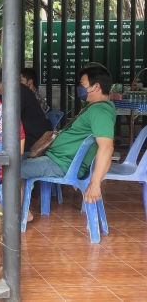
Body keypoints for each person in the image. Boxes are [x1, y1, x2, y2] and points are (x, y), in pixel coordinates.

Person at [21, 66, 116, 220]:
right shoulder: (96, 108)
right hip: (56, 158)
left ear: (96, 86)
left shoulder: (100, 112)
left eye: (83, 84)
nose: (79, 88)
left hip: (60, 163)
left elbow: (107, 148)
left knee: (8, 170)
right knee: (13, 161)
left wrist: (95, 183)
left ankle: (20, 212)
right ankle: (21, 208)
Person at [0, 82, 52, 152]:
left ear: (1, 83)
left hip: (35, 137)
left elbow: (9, 116)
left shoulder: (19, 91)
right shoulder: (9, 92)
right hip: (26, 134)